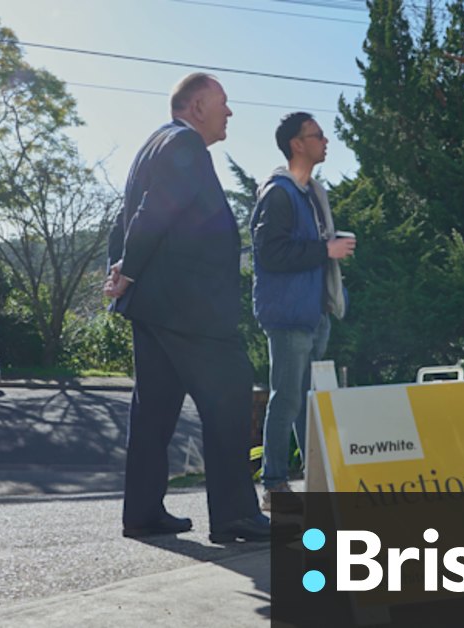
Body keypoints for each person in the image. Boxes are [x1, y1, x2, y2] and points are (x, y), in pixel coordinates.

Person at [105, 73, 268, 543]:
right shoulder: (186, 146)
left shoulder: (152, 145)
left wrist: (118, 269)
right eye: (223, 103)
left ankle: (143, 512)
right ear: (197, 107)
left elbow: (126, 217)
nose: (230, 113)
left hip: (155, 306)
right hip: (189, 306)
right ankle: (236, 513)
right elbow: (153, 211)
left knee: (154, 409)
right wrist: (128, 271)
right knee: (232, 394)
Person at [251, 112, 354, 510]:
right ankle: (274, 485)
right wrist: (325, 250)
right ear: (297, 144)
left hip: (313, 313)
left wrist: (327, 248)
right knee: (287, 399)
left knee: (306, 401)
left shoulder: (310, 193)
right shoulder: (278, 194)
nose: (325, 141)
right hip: (289, 314)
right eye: (317, 135)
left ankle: (317, 479)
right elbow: (270, 254)